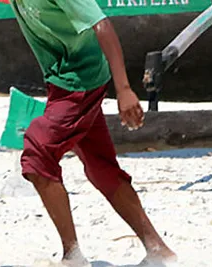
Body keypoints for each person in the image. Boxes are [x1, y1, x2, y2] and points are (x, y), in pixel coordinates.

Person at [10, 0, 177, 265]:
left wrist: (123, 89)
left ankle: (72, 256)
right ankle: (159, 251)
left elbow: (102, 24)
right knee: (101, 168)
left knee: (38, 152)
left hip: (80, 82)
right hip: (62, 83)